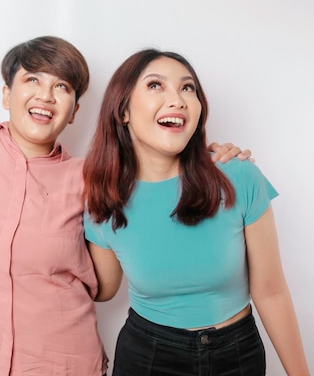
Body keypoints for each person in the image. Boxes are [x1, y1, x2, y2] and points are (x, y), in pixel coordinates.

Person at [0, 37, 250, 376]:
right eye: (32, 79)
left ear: (74, 113)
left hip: (62, 363)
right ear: (7, 94)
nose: (45, 95)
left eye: (62, 87)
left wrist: (209, 158)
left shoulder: (93, 180)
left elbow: (108, 283)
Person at [83, 49, 310, 375]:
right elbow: (102, 290)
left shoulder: (238, 176)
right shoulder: (104, 200)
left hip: (237, 354)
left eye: (188, 88)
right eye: (155, 86)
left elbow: (271, 291)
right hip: (147, 355)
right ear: (123, 111)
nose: (177, 99)